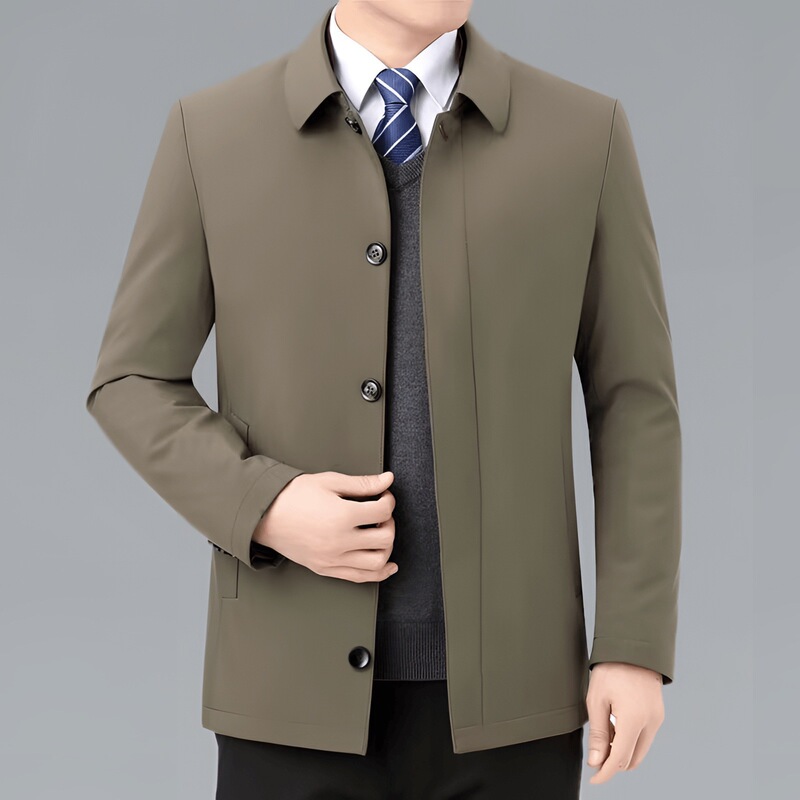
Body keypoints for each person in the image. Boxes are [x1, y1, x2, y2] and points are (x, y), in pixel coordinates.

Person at [85, 1, 682, 797]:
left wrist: (633, 645)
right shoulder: (213, 134)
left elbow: (634, 402)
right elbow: (131, 378)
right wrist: (265, 506)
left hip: (516, 704)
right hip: (287, 697)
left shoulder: (583, 135)